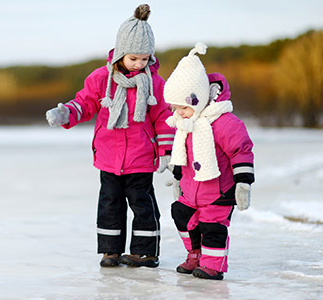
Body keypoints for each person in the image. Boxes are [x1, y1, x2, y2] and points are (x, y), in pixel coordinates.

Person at [45, 4, 175, 268]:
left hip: (140, 156)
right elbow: (85, 104)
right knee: (110, 204)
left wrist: (166, 151)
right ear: (120, 53)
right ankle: (110, 251)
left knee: (142, 204)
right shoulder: (101, 79)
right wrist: (65, 114)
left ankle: (145, 252)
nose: (139, 64)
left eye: (144, 59)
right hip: (108, 156)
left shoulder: (155, 83)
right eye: (133, 59)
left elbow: (163, 118)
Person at [162, 42, 255, 280]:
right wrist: (177, 179)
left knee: (213, 227)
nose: (177, 113)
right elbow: (181, 153)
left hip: (218, 190)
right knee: (181, 214)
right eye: (174, 108)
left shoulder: (223, 122)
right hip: (191, 189)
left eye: (181, 107)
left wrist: (243, 182)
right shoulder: (185, 124)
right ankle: (195, 255)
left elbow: (241, 150)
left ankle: (213, 265)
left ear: (197, 99)